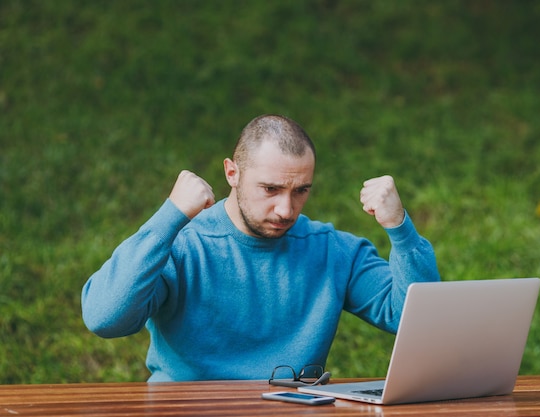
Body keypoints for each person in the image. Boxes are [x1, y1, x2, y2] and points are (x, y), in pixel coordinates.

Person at [81, 114, 440, 382]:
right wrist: (170, 216)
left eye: (300, 191)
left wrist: (400, 229)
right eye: (270, 189)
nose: (287, 210)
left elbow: (420, 321)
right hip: (185, 410)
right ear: (232, 174)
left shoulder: (332, 250)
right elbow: (105, 319)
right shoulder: (181, 246)